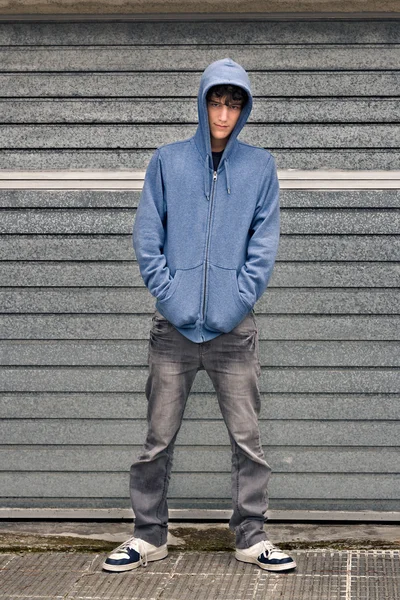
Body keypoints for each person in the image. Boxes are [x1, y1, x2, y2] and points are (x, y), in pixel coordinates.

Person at [102, 57, 296, 573]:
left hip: (236, 332)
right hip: (173, 328)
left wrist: (233, 303)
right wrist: (174, 298)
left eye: (234, 103)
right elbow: (148, 239)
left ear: (244, 109)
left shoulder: (260, 167)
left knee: (247, 441)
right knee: (157, 439)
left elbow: (263, 248)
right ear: (202, 102)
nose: (224, 113)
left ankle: (251, 536)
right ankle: (149, 536)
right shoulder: (168, 161)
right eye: (217, 100)